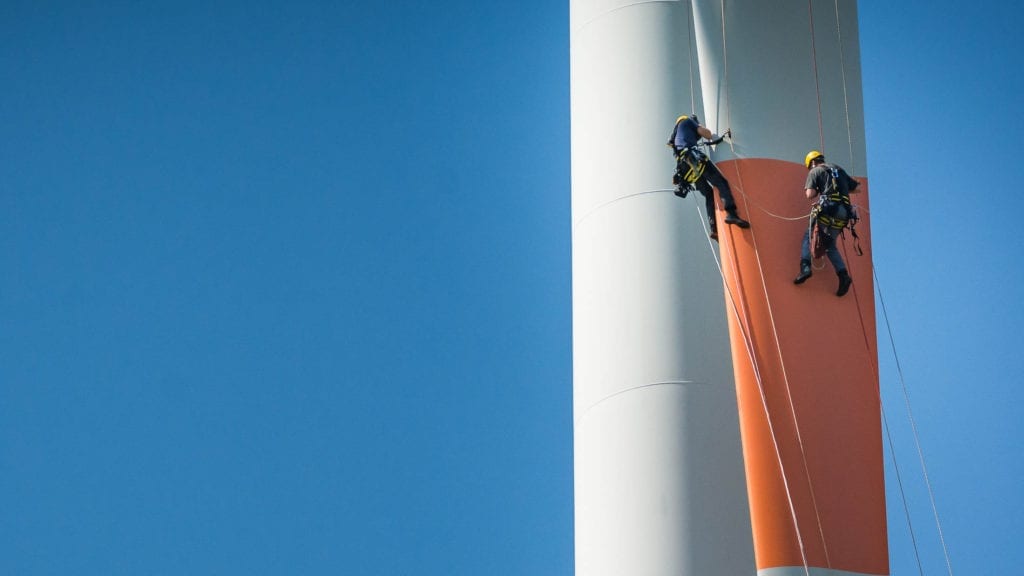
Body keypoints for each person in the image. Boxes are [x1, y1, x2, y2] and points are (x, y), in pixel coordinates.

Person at [667, 115, 750, 240]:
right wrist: (700, 127)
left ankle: (714, 229)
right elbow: (708, 134)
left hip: (687, 171)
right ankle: (731, 213)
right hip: (694, 160)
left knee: (709, 194)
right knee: (721, 183)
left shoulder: (676, 138)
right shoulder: (688, 121)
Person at [793, 150, 860, 296]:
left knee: (808, 236)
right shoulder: (839, 170)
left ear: (812, 162)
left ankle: (805, 268)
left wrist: (820, 190)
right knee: (830, 245)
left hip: (828, 210)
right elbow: (857, 188)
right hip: (844, 213)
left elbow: (809, 195)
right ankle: (843, 275)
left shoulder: (815, 171)